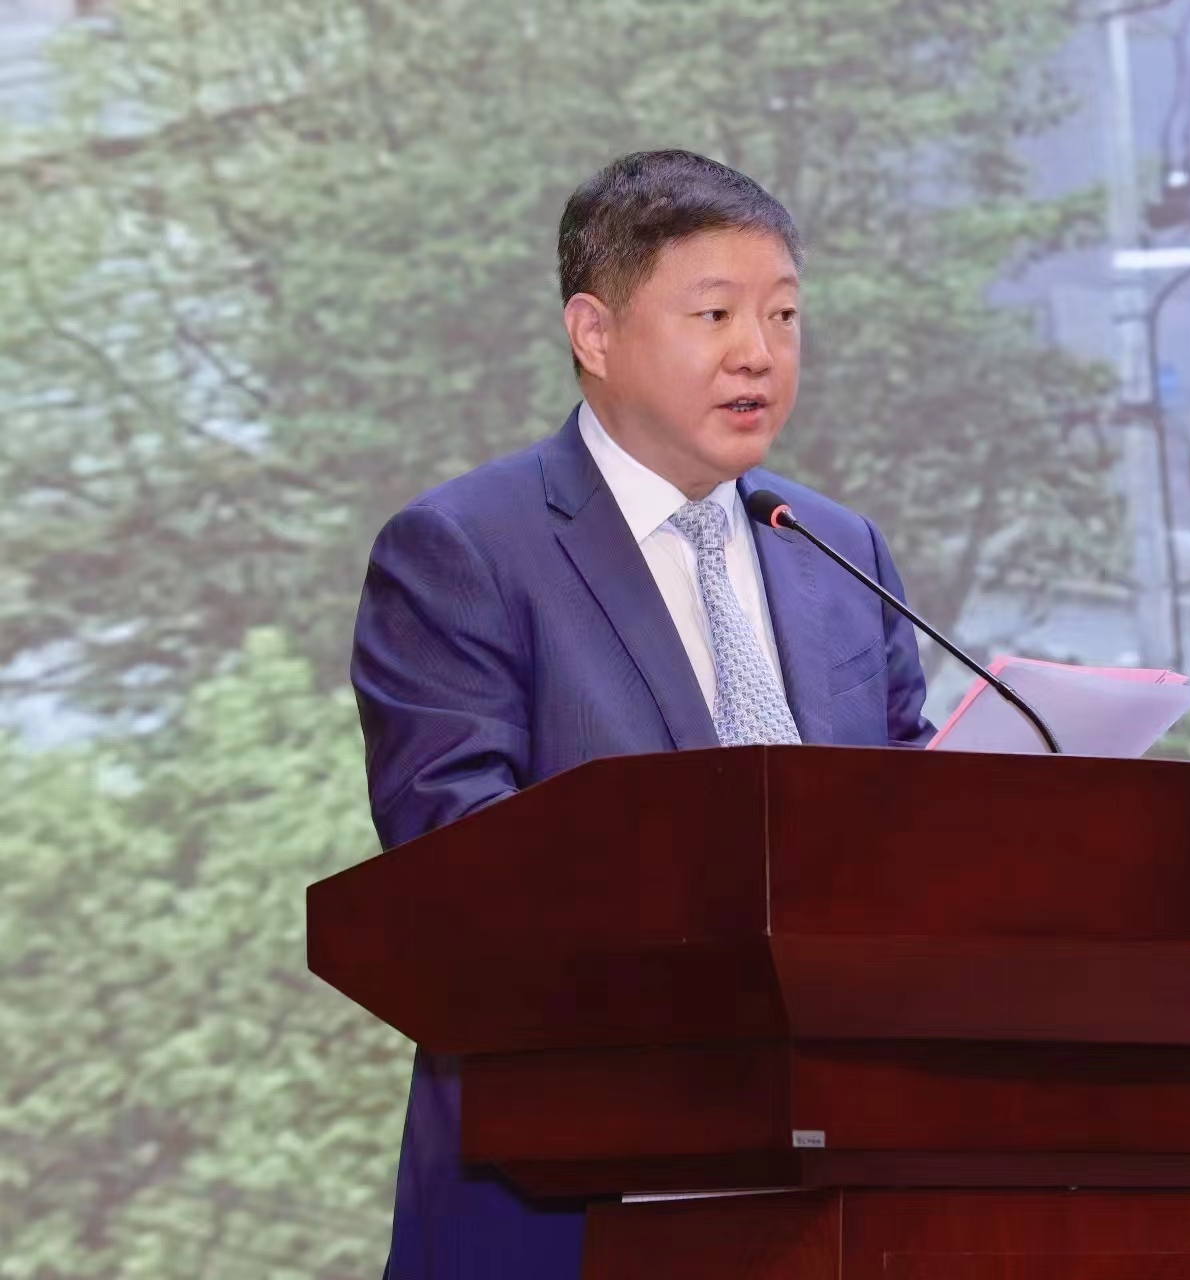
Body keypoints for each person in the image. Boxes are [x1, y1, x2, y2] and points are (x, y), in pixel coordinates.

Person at [350, 148, 936, 1279]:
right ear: (595, 332)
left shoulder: (835, 547)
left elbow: (917, 819)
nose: (758, 351)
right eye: (714, 314)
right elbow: (455, 863)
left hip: (843, 1189)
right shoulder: (464, 550)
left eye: (783, 315)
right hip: (570, 1198)